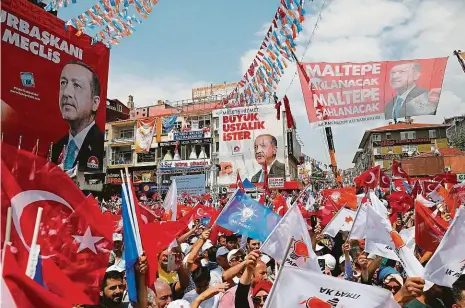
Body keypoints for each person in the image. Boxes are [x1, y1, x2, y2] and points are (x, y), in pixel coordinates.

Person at [52, 60, 104, 171]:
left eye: (76, 85)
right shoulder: (55, 148)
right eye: (63, 83)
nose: (66, 92)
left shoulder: (101, 146)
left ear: (95, 103)